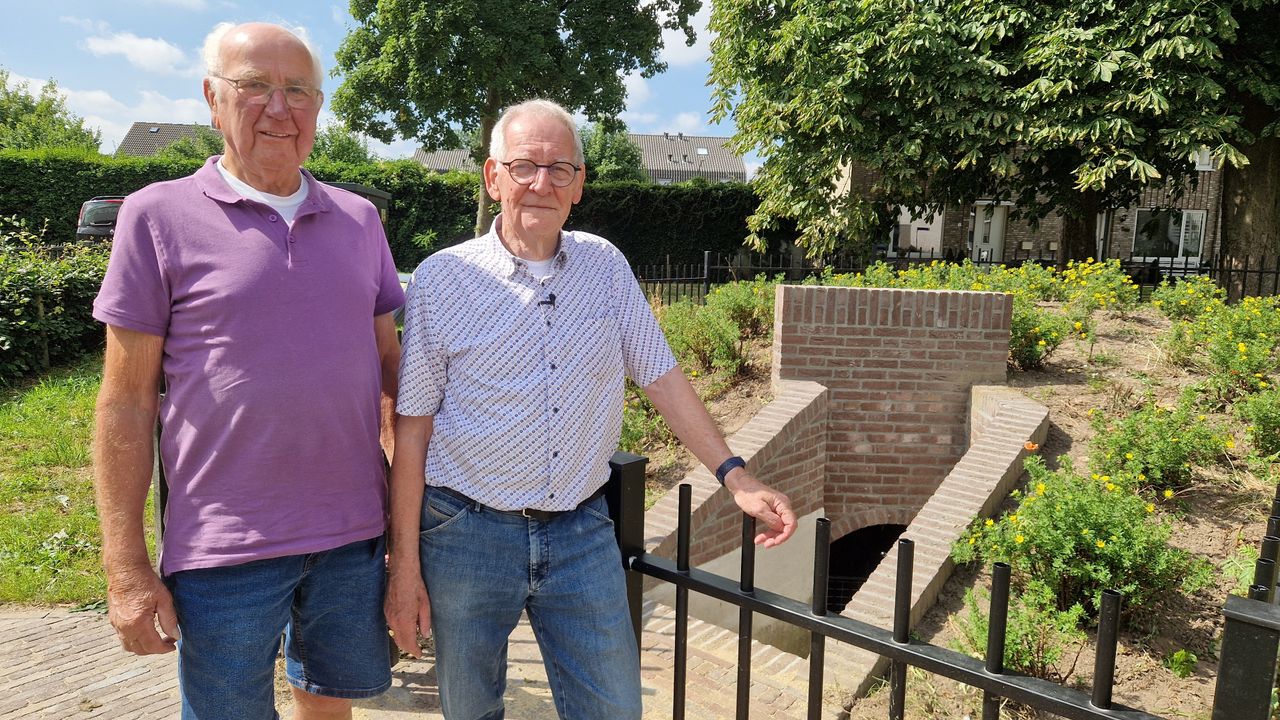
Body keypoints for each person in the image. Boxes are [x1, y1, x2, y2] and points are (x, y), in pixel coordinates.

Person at [386, 98, 798, 719]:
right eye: (524, 166)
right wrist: (405, 564)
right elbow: (411, 428)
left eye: (560, 170)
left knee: (612, 710)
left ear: (579, 186)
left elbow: (662, 378)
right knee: (471, 710)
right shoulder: (444, 280)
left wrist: (734, 476)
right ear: (493, 177)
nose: (541, 183)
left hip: (580, 532)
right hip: (466, 533)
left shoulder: (605, 266)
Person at [91, 21, 404, 720]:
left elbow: (391, 370)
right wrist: (126, 566)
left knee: (331, 706)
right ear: (212, 97)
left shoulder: (359, 220)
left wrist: (406, 530)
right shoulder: (155, 216)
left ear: (318, 107)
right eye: (254, 86)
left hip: (352, 538)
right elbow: (126, 405)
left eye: (297, 90)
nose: (278, 108)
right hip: (223, 549)